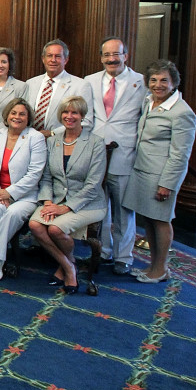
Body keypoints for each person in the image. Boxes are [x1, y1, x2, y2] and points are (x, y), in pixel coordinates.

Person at [121, 60, 196, 284]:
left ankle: (161, 268)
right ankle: (154, 265)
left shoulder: (182, 113)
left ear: (174, 82)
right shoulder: (149, 102)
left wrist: (168, 184)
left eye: (164, 80)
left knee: (161, 220)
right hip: (142, 171)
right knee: (149, 220)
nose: (158, 84)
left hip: (161, 176)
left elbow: (180, 154)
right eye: (153, 80)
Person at [29, 95, 108, 294]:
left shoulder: (95, 143)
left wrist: (64, 208)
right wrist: (48, 202)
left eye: (74, 112)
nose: (69, 116)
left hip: (88, 203)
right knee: (35, 224)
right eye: (65, 112)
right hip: (55, 199)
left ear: (82, 116)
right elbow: (46, 177)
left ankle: (67, 271)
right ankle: (69, 264)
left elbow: (93, 184)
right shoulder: (53, 141)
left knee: (55, 229)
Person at [84, 37, 146, 275]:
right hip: (97, 154)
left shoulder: (140, 82)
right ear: (101, 57)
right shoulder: (89, 81)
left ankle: (123, 257)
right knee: (101, 208)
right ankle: (105, 251)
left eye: (116, 54)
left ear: (125, 56)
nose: (111, 59)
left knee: (123, 210)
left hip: (124, 155)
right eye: (107, 55)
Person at [0, 98, 47, 282]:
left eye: (22, 114)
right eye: (13, 113)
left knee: (12, 213)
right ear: (7, 116)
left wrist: (11, 193)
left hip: (25, 196)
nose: (17, 117)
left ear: (28, 117)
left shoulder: (35, 138)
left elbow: (35, 173)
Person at [24, 39, 93, 136]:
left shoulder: (81, 85)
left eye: (58, 56)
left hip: (61, 143)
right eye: (49, 56)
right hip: (29, 141)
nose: (53, 60)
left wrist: (53, 133)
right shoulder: (30, 83)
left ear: (66, 59)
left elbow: (86, 122)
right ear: (43, 59)